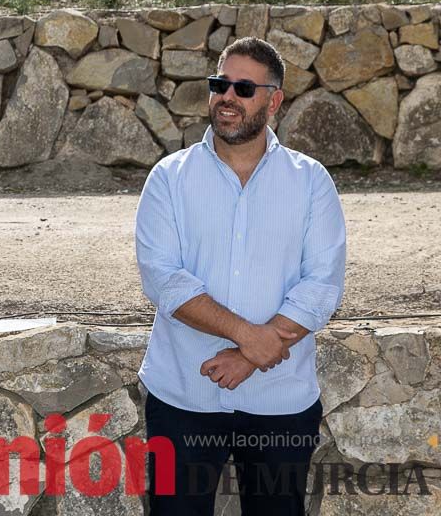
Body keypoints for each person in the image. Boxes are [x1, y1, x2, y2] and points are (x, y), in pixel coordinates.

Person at [135, 37, 346, 516]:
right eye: (220, 84)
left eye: (244, 88)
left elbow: (321, 286)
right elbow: (164, 279)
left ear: (274, 100)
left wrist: (249, 358)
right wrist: (249, 338)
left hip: (280, 400)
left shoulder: (311, 181)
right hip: (182, 398)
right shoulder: (169, 178)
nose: (227, 97)